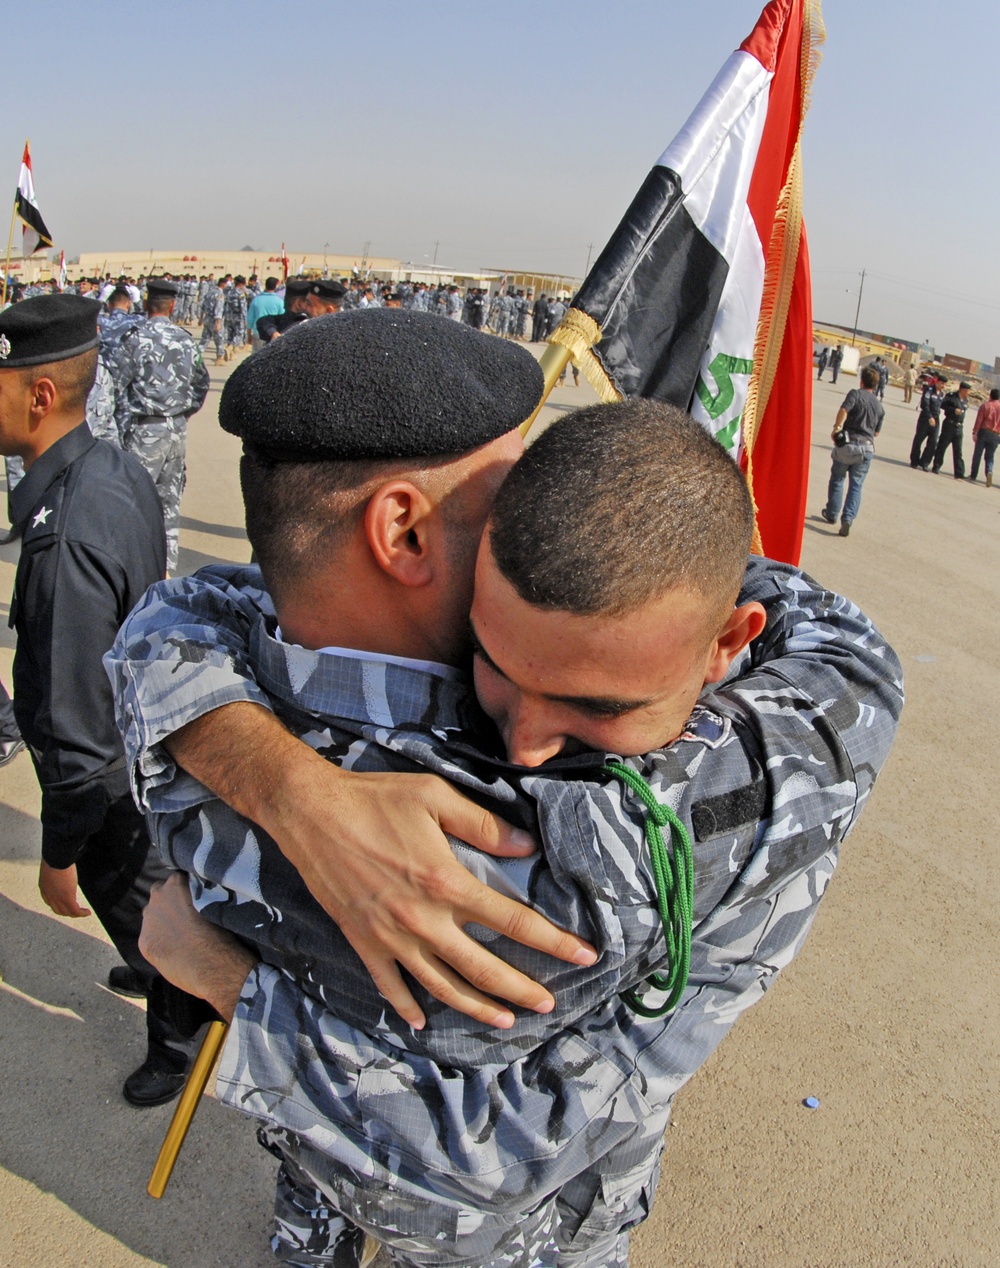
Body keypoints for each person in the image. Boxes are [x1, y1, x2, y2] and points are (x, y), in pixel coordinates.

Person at [110, 313, 902, 1266]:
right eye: (512, 494)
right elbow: (493, 1156)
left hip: (319, 1182)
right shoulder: (578, 834)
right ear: (402, 528)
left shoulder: (200, 696)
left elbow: (176, 611)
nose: (527, 747)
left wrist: (275, 790)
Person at [0, 294, 208, 1106]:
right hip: (146, 749)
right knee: (150, 902)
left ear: (38, 396)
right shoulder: (111, 466)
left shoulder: (64, 542)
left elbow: (79, 744)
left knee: (140, 901)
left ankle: (180, 1036)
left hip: (111, 786)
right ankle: (154, 958)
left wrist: (56, 862)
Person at [109, 278, 210, 572]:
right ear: (174, 305)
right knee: (169, 503)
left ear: (145, 303)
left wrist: (124, 425)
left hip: (144, 431)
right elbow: (200, 385)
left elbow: (115, 386)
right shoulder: (185, 339)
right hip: (176, 431)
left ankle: (131, 569)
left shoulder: (136, 338)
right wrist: (179, 414)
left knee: (133, 502)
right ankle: (165, 569)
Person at [820, 364, 884, 537]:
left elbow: (843, 410)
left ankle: (832, 513)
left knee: (838, 479)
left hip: (848, 444)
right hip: (866, 448)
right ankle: (847, 518)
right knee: (856, 485)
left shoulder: (855, 394)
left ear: (862, 381)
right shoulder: (879, 406)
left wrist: (837, 427)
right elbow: (876, 432)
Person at [931, 380, 971, 479]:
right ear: (963, 390)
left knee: (958, 451)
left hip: (959, 427)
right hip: (949, 425)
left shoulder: (966, 400)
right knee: (942, 446)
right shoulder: (951, 396)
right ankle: (936, 466)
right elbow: (942, 405)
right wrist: (953, 410)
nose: (968, 393)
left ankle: (959, 473)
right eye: (967, 391)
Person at [968, 386, 1000, 486]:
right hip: (995, 435)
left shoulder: (985, 406)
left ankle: (973, 475)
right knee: (990, 456)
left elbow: (979, 420)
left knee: (977, 454)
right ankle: (989, 472)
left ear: (990, 395)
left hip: (984, 432)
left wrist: (975, 432)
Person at [910, 376, 943, 469]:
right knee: (918, 440)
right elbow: (924, 404)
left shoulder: (942, 394)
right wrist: (929, 417)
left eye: (944, 384)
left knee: (933, 442)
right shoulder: (929, 390)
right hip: (925, 418)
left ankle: (924, 462)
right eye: (941, 383)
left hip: (936, 419)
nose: (943, 385)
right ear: (937, 383)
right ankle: (914, 461)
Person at [247, 276, 284, 349]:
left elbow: (250, 319)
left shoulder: (256, 300)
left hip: (257, 333)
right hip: (273, 334)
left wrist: (248, 335)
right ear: (275, 286)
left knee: (256, 357)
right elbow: (282, 319)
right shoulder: (279, 301)